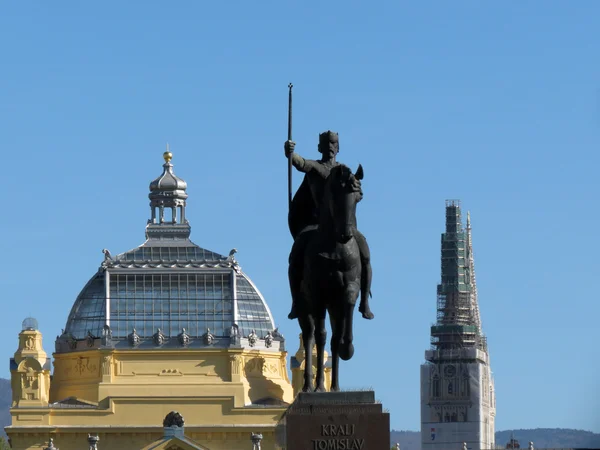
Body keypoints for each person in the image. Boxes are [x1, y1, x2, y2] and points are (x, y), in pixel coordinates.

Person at [285, 131, 373, 320]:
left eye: (334, 143)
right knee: (296, 255)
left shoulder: (345, 171)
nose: (330, 147)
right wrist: (291, 153)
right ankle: (296, 301)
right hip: (315, 225)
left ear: (338, 147)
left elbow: (357, 194)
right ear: (320, 148)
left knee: (364, 253)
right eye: (327, 144)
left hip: (344, 226)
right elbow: (301, 163)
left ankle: (364, 301)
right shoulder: (316, 168)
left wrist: (357, 190)